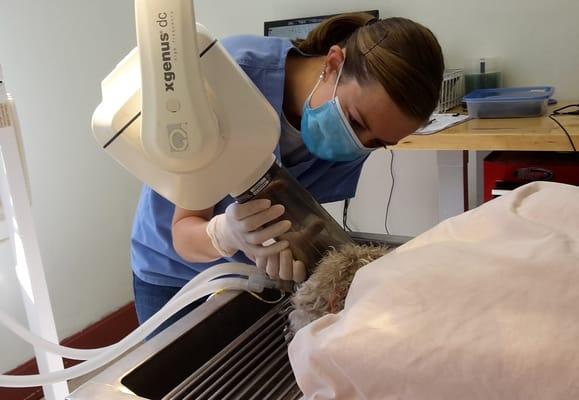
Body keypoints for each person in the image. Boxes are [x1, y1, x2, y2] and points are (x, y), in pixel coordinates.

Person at [131, 13, 445, 334]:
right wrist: (226, 234)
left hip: (241, 279)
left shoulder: (354, 143)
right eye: (355, 122)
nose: (357, 145)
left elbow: (288, 215)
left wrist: (291, 250)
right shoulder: (230, 75)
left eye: (378, 143)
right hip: (173, 275)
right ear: (334, 63)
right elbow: (183, 232)